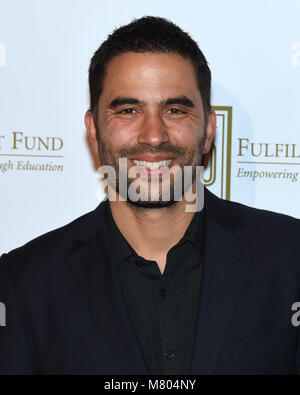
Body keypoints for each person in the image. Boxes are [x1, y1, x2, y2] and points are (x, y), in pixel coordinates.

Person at [0, 16, 300, 375]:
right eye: (128, 110)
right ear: (94, 131)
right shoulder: (25, 284)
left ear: (208, 130)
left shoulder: (290, 259)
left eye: (175, 110)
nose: (154, 135)